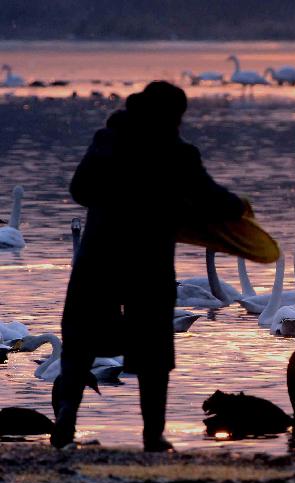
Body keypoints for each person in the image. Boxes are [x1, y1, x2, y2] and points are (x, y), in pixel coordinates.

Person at [52, 81, 246, 452]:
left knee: (81, 341)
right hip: (147, 262)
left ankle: (66, 414)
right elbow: (214, 201)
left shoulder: (106, 140)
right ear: (172, 115)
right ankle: (152, 434)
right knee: (153, 349)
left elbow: (79, 191)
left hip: (98, 259)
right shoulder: (177, 152)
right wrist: (239, 208)